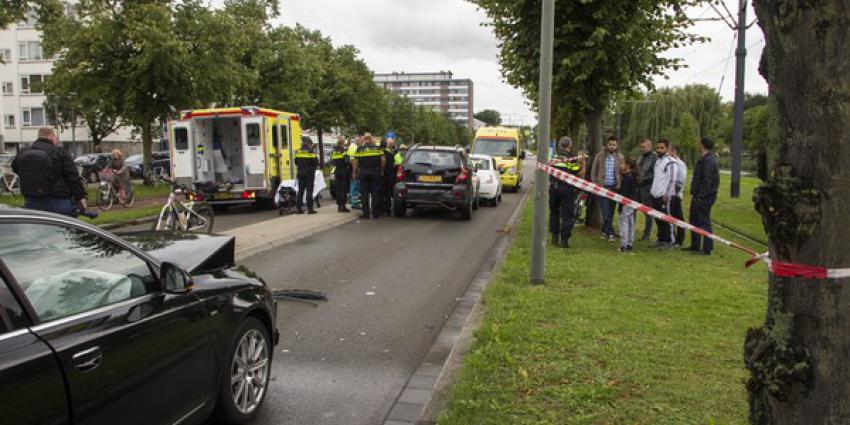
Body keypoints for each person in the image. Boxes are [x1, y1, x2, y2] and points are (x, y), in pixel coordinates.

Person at [11, 127, 87, 216]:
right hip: (58, 200)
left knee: (37, 227)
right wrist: (80, 197)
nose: (56, 139)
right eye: (55, 137)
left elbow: (15, 167)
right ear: (51, 136)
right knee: (64, 228)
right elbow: (72, 176)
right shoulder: (60, 152)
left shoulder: (24, 152)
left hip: (31, 200)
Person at [685, 137, 720, 255]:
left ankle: (707, 248)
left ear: (702, 145)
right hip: (697, 195)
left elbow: (707, 180)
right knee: (694, 220)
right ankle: (695, 245)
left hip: (704, 197)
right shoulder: (704, 159)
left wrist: (701, 195)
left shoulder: (709, 161)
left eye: (699, 144)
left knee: (704, 222)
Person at [548, 143, 581, 248]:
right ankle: (564, 240)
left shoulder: (554, 158)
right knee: (567, 215)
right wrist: (582, 162)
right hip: (566, 190)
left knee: (554, 212)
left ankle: (554, 236)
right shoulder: (571, 159)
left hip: (553, 188)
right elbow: (577, 171)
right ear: (570, 146)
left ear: (560, 146)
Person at [590, 136, 623, 241]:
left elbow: (622, 172)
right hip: (602, 188)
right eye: (610, 144)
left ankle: (604, 231)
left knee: (611, 212)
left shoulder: (620, 157)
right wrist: (595, 184)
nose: (612, 147)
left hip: (614, 188)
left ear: (617, 146)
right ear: (606, 145)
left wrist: (620, 184)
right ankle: (611, 233)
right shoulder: (600, 156)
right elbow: (593, 171)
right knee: (605, 211)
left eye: (614, 145)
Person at [649, 138, 677, 250]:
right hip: (655, 195)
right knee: (658, 219)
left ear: (667, 148)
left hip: (664, 197)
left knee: (667, 219)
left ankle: (670, 241)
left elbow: (672, 180)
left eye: (662, 148)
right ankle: (661, 239)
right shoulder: (657, 161)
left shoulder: (671, 162)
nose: (659, 150)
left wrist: (667, 194)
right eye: (658, 148)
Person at [352, 134, 385, 219]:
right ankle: (375, 214)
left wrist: (354, 172)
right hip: (375, 173)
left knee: (364, 194)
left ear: (364, 140)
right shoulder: (378, 148)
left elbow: (355, 163)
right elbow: (383, 160)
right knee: (375, 193)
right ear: (371, 139)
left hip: (363, 173)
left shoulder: (360, 149)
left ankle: (366, 214)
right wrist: (381, 170)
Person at [617, 158, 640, 252]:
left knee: (624, 223)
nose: (621, 165)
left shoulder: (627, 177)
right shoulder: (634, 176)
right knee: (631, 223)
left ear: (627, 165)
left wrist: (620, 206)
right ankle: (630, 243)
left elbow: (624, 192)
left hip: (626, 203)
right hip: (633, 202)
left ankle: (624, 245)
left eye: (622, 163)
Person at [636, 138, 657, 241]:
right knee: (632, 207)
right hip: (638, 186)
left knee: (647, 211)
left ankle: (647, 233)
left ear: (650, 147)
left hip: (648, 187)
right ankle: (630, 229)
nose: (642, 149)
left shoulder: (653, 157)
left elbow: (650, 172)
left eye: (644, 147)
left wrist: (641, 178)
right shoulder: (641, 156)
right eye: (640, 147)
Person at [668, 145, 687, 246]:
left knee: (678, 217)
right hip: (670, 194)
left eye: (668, 151)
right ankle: (672, 237)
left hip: (676, 195)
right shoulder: (671, 163)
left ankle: (680, 240)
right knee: (670, 216)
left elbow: (680, 181)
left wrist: (674, 193)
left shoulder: (680, 164)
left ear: (674, 151)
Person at [294, 139, 319, 214]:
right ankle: (309, 208)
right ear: (309, 144)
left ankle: (298, 208)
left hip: (300, 172)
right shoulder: (311, 151)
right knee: (309, 190)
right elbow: (316, 162)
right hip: (309, 173)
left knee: (300, 191)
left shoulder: (298, 151)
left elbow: (296, 162)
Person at [331, 136, 352, 213]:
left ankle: (339, 206)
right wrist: (350, 166)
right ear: (342, 143)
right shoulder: (343, 151)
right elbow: (347, 161)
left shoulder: (333, 151)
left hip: (337, 171)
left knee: (338, 189)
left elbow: (332, 161)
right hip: (344, 171)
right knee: (343, 189)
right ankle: (343, 206)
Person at [380, 137, 397, 216]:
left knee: (383, 192)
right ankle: (388, 210)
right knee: (388, 193)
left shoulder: (383, 152)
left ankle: (383, 209)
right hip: (390, 175)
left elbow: (382, 164)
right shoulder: (391, 153)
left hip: (384, 175)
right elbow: (394, 165)